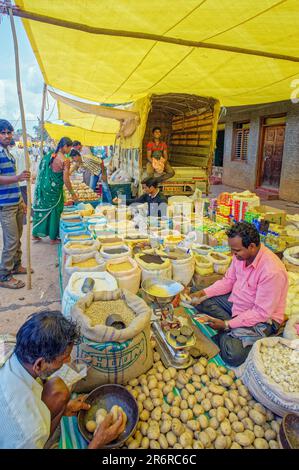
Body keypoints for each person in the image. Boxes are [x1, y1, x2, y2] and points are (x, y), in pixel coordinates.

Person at [0, 311, 124, 449]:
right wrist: (98, 442)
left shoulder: (6, 342)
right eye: (63, 358)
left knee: (58, 390)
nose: (69, 360)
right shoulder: (29, 432)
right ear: (39, 364)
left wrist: (65, 408)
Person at [190, 222, 288, 367]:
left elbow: (261, 313)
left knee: (233, 354)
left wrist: (226, 324)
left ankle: (232, 329)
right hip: (237, 303)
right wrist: (203, 292)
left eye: (236, 250)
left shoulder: (272, 272)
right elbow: (228, 281)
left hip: (263, 318)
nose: (232, 254)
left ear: (252, 246)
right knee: (197, 293)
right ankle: (235, 328)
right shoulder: (240, 256)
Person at [0, 119, 32, 289]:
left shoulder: (8, 152)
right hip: (5, 205)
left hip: (16, 202)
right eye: (3, 132)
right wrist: (18, 178)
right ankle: (4, 275)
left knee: (18, 237)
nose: (7, 135)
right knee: (11, 240)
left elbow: (12, 182)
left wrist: (22, 201)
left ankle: (16, 265)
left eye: (9, 132)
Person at [32, 137, 78, 245]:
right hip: (54, 190)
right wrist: (72, 193)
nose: (70, 150)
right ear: (65, 146)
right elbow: (66, 179)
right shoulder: (65, 160)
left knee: (42, 209)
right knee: (55, 211)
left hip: (44, 187)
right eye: (69, 147)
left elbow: (42, 169)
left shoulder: (51, 155)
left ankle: (35, 233)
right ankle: (53, 237)